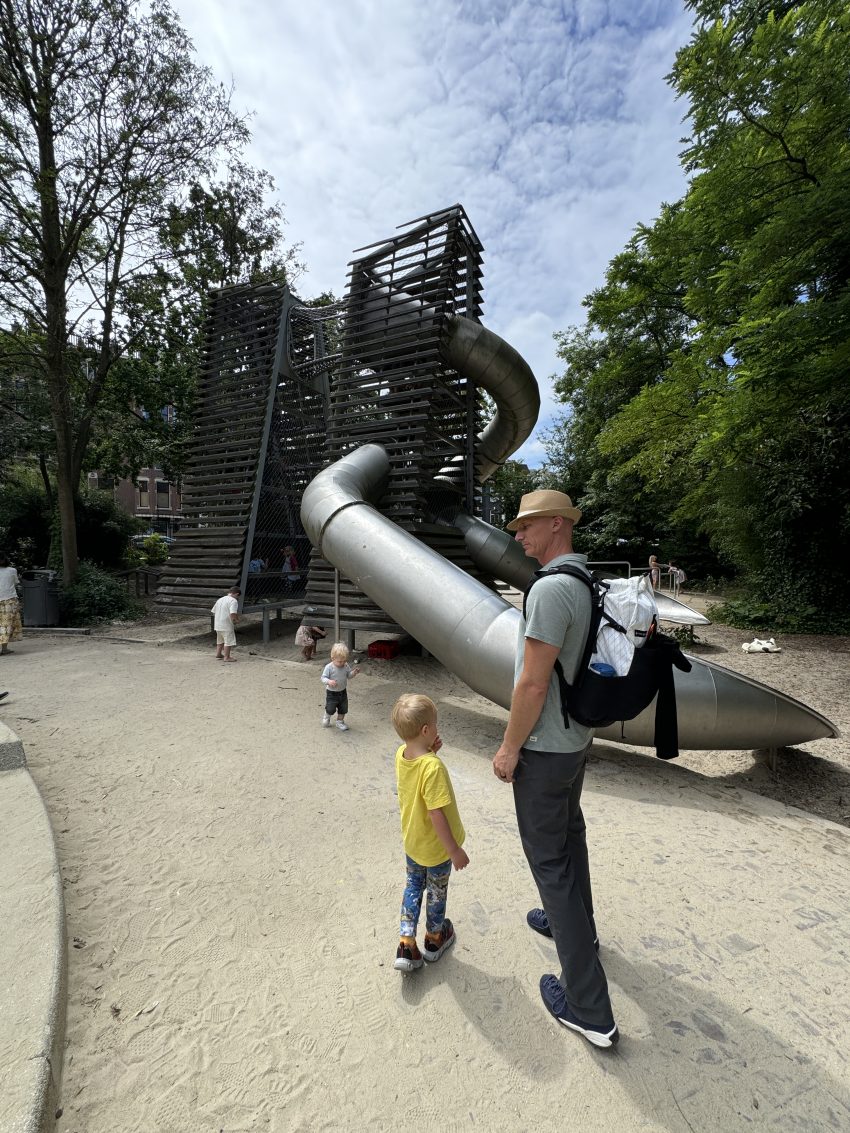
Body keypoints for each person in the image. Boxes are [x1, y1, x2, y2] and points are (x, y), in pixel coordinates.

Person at [492, 489, 619, 1049]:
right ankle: (578, 932)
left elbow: (533, 682)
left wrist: (508, 748)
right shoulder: (589, 583)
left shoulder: (548, 591)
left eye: (525, 527)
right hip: (577, 740)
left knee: (550, 865)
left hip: (545, 746)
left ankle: (590, 1009)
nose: (518, 536)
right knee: (571, 838)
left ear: (555, 525)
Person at [391, 693, 468, 973]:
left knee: (413, 886)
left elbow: (417, 770)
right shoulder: (432, 767)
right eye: (434, 725)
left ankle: (406, 943)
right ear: (425, 731)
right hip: (436, 848)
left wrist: (429, 750)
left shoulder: (402, 754)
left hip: (413, 841)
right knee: (436, 890)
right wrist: (454, 850)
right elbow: (436, 813)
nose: (437, 729)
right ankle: (434, 939)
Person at [320, 642, 360, 730]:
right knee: (330, 708)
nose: (342, 663)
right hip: (332, 693)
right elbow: (323, 678)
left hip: (343, 691)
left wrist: (354, 673)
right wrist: (329, 681)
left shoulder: (345, 666)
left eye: (344, 660)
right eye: (340, 661)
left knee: (343, 708)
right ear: (333, 658)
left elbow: (348, 676)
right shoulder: (329, 667)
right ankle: (327, 716)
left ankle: (340, 722)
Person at [0, 555, 22, 657]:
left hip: (7, 599)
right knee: (7, 625)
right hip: (9, 600)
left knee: (5, 625)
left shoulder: (12, 570)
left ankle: (4, 649)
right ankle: (4, 649)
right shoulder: (12, 570)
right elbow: (15, 582)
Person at [211, 585, 241, 662]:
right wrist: (235, 621)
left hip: (218, 623)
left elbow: (213, 611)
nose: (237, 598)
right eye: (238, 597)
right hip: (226, 624)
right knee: (228, 641)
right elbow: (232, 613)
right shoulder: (233, 601)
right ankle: (227, 657)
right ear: (237, 594)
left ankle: (218, 654)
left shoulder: (220, 599)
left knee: (220, 640)